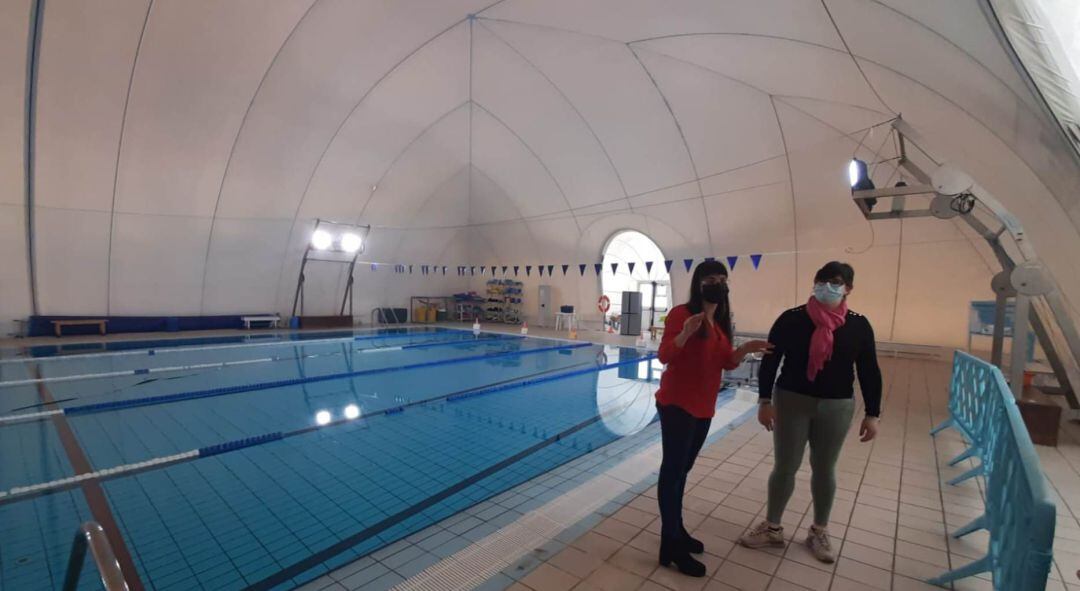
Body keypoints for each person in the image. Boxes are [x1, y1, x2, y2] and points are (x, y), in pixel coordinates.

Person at [739, 261, 882, 563]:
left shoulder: (858, 325)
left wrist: (873, 413)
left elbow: (869, 370)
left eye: (835, 282)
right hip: (791, 399)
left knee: (824, 468)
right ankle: (773, 527)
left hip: (837, 405)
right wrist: (764, 401)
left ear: (848, 289)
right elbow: (769, 360)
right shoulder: (792, 319)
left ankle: (819, 530)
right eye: (822, 280)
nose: (827, 287)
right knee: (785, 466)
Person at [655, 260, 772, 577]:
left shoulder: (720, 322)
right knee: (673, 473)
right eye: (711, 278)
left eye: (722, 278)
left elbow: (726, 363)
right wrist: (684, 334)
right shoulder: (682, 314)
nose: (718, 283)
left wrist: (746, 348)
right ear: (699, 282)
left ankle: (675, 531)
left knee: (682, 471)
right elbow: (664, 355)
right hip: (678, 404)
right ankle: (672, 542)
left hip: (704, 407)